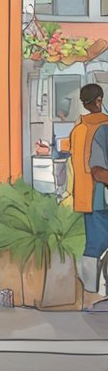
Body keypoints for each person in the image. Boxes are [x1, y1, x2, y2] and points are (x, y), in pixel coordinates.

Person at [65, 84, 108, 313]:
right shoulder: (103, 127)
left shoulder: (79, 128)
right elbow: (97, 168)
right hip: (100, 194)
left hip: (87, 196)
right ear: (99, 100)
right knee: (97, 245)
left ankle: (90, 295)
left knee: (94, 244)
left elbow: (71, 155)